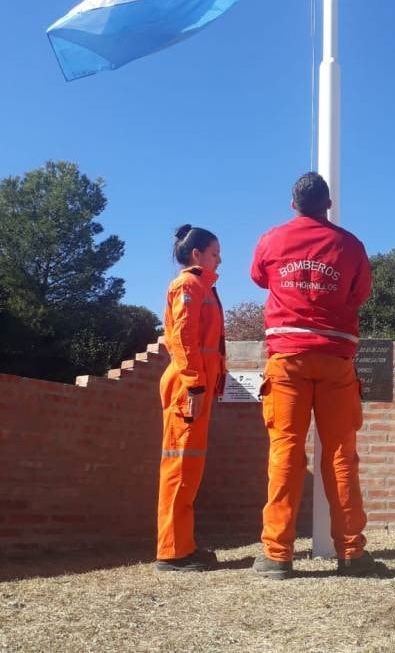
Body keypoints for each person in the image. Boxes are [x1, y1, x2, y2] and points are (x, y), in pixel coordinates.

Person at [250, 172, 377, 579]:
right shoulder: (350, 245)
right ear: (328, 205)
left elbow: (259, 277)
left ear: (292, 204)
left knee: (285, 450)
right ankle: (352, 553)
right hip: (337, 360)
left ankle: (277, 555)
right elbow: (359, 294)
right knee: (341, 455)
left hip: (287, 359)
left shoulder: (272, 239)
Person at [155, 225, 226, 572]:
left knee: (189, 468)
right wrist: (197, 385)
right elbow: (183, 339)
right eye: (214, 253)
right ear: (196, 254)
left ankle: (183, 546)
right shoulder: (188, 285)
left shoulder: (203, 287)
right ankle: (171, 552)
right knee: (179, 466)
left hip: (195, 386)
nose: (219, 260)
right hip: (188, 387)